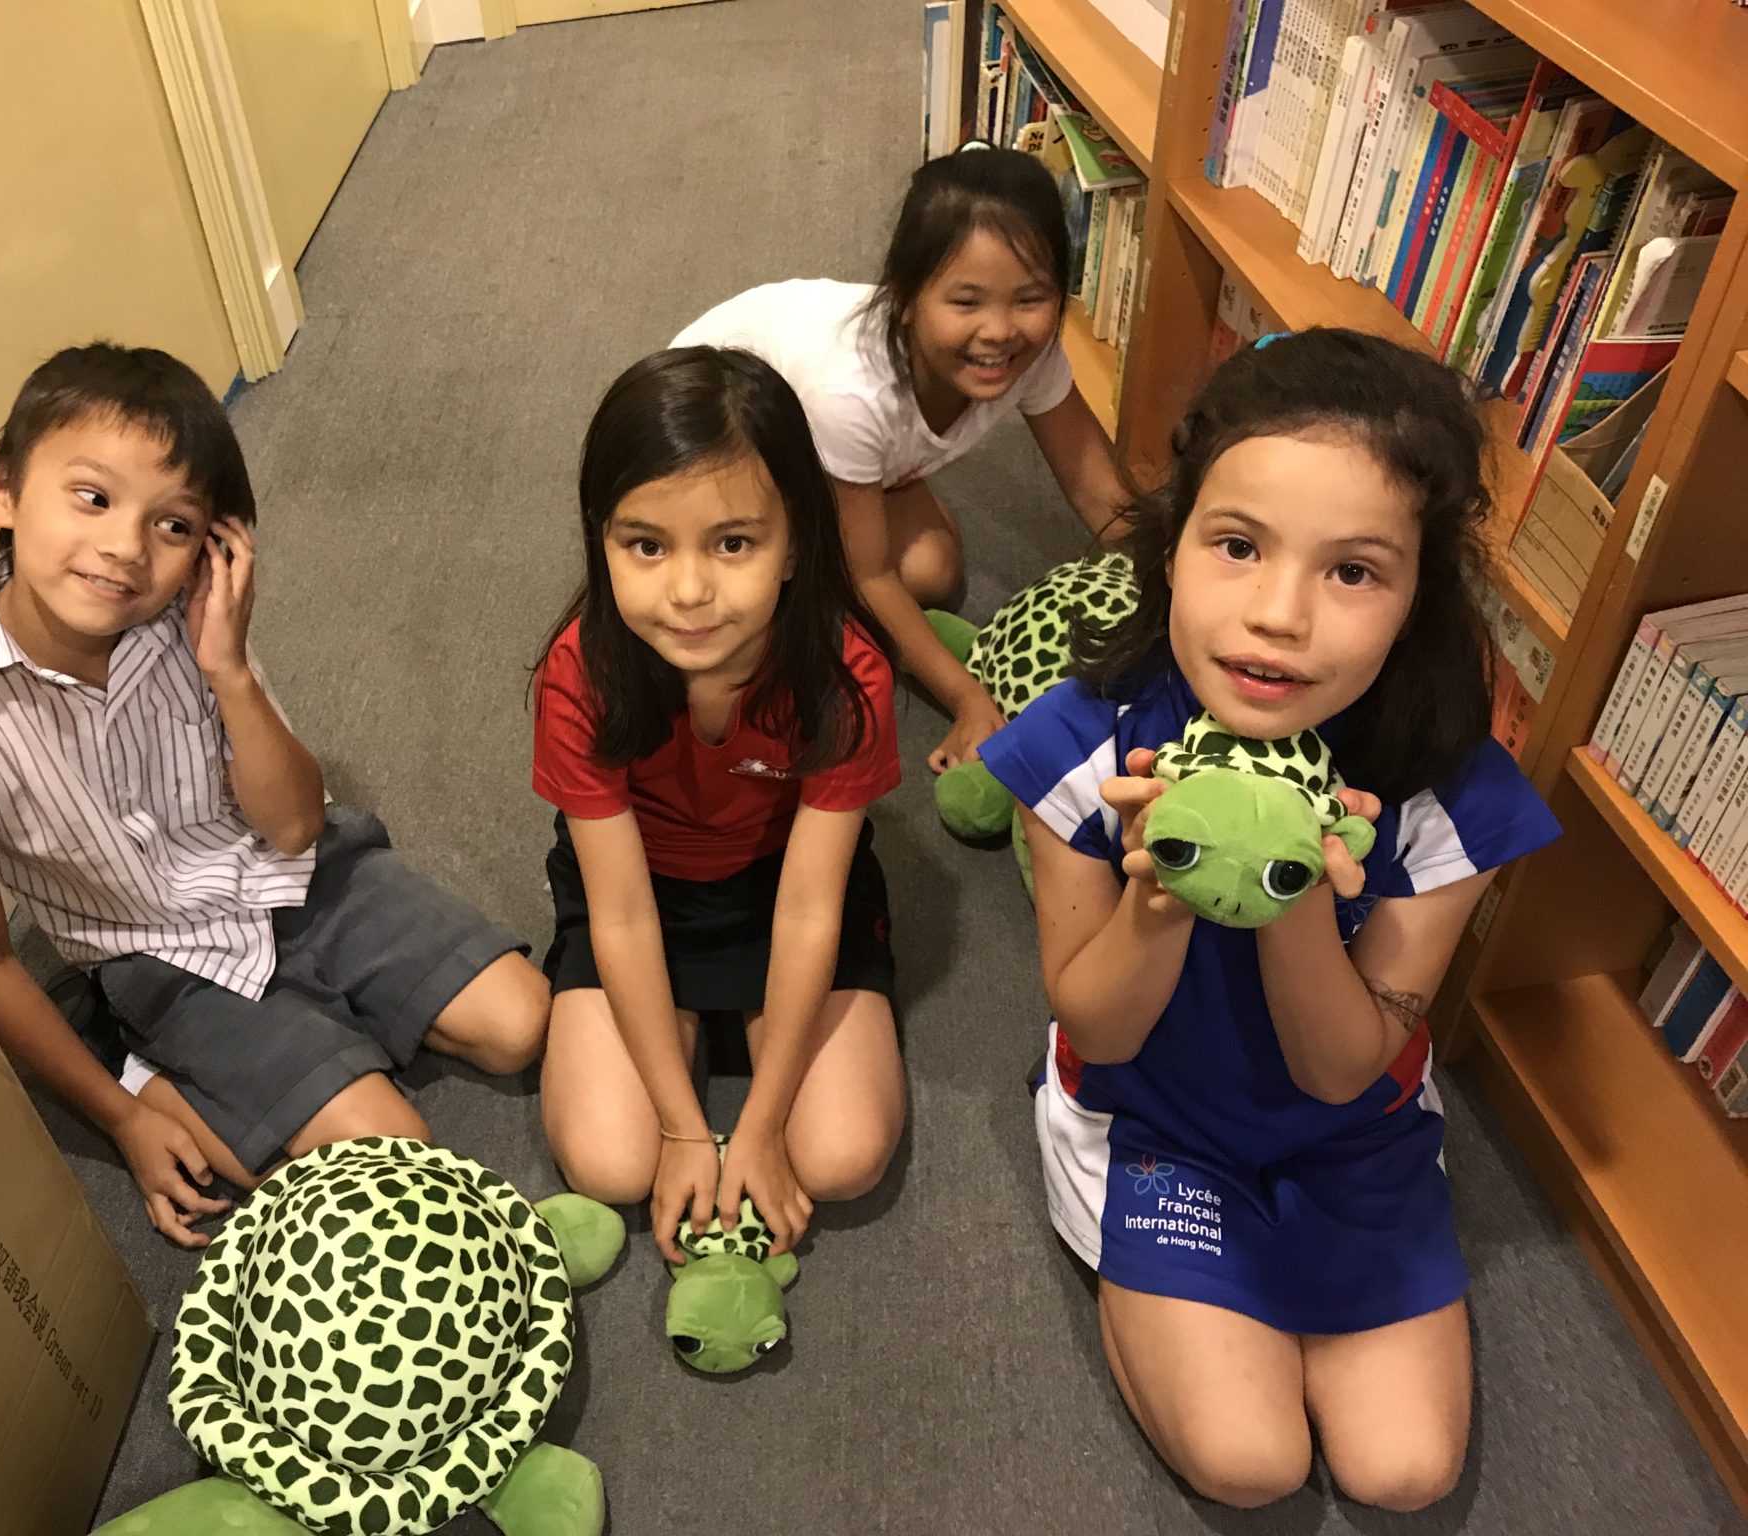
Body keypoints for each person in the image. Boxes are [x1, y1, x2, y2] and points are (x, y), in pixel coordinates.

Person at [978, 330, 1559, 1511]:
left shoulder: (1447, 795)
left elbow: (1343, 1067)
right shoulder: (1082, 745)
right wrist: (1162, 891)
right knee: (1249, 1463)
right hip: (1151, 1115)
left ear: (1415, 600)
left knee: (1402, 1469)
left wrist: (1287, 890)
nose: (1277, 615)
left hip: (1348, 1128)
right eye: (1236, 546)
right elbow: (1096, 1022)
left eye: (1353, 572)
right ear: (1171, 548)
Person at [0, 343, 546, 1248]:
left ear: (211, 546)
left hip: (295, 871)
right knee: (390, 1154)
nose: (125, 548)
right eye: (92, 497)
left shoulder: (189, 620)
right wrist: (123, 1118)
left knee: (520, 1024)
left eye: (172, 525)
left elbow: (296, 823)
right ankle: (137, 1056)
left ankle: (307, 1050)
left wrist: (228, 667)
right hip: (158, 954)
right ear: (2, 488)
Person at [532, 345, 906, 1264]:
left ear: (794, 546)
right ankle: (698, 1037)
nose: (690, 592)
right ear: (600, 541)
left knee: (843, 1155)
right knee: (610, 1161)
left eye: (733, 543)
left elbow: (811, 908)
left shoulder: (846, 675)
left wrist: (765, 1124)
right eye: (646, 545)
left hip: (785, 888)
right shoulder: (579, 672)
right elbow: (621, 912)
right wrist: (679, 1126)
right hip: (645, 896)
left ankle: (741, 1041)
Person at [672, 146, 1132, 773]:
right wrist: (968, 698)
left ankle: (844, 510)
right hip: (716, 449)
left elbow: (1098, 491)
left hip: (827, 452)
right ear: (905, 298)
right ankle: (820, 535)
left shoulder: (1035, 356)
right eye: (966, 302)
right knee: (756, 604)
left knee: (932, 570)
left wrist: (1182, 586)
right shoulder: (851, 391)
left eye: (1030, 299)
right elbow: (869, 577)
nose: (1000, 331)